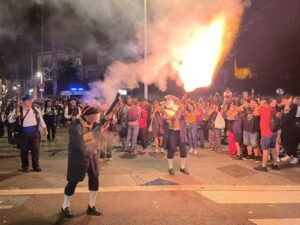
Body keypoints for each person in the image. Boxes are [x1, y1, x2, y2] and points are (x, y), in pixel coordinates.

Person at [61, 105, 102, 218]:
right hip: (78, 157)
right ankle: (65, 206)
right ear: (86, 115)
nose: (94, 118)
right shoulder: (75, 125)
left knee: (95, 180)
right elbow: (80, 141)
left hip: (91, 156)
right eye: (92, 116)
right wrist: (95, 132)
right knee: (73, 181)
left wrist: (104, 123)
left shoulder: (93, 124)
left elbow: (98, 131)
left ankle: (91, 205)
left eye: (95, 116)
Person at [15, 94, 47, 172]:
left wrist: (45, 128)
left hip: (34, 133)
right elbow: (10, 120)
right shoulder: (19, 109)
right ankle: (25, 166)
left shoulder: (35, 109)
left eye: (30, 101)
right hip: (24, 133)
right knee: (24, 150)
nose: (30, 102)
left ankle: (36, 166)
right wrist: (15, 116)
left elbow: (41, 119)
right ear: (23, 102)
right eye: (28, 101)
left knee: (35, 150)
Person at [164, 98, 189, 175]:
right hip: (173, 132)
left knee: (183, 150)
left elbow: (186, 118)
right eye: (177, 104)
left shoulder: (183, 112)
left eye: (179, 104)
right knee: (171, 149)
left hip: (181, 132)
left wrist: (182, 111)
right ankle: (170, 167)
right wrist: (168, 119)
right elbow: (166, 118)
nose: (178, 105)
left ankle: (182, 167)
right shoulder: (170, 111)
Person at [280, 95, 298, 164]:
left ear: (288, 100)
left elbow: (286, 110)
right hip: (286, 128)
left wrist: (288, 102)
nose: (283, 102)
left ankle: (289, 155)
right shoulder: (289, 106)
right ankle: (290, 155)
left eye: (284, 100)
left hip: (290, 128)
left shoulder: (293, 105)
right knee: (287, 142)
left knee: (289, 142)